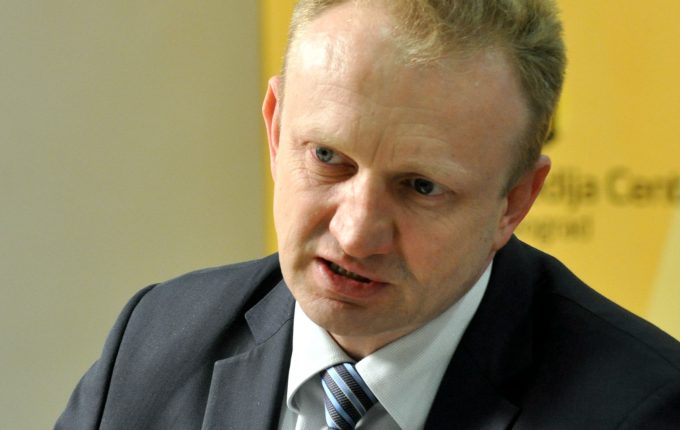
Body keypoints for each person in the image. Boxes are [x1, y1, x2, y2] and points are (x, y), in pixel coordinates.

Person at [56, 0, 680, 429]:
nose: (355, 235)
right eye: (328, 157)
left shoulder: (642, 408)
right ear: (276, 128)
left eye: (421, 187)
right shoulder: (156, 339)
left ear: (515, 201)